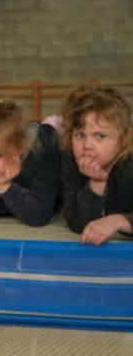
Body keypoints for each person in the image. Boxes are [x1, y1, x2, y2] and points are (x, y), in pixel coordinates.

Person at [59, 85, 133, 245]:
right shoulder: (72, 160)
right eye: (80, 135)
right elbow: (78, 223)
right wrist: (97, 183)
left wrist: (121, 220)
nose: (87, 146)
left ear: (124, 139)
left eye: (100, 136)